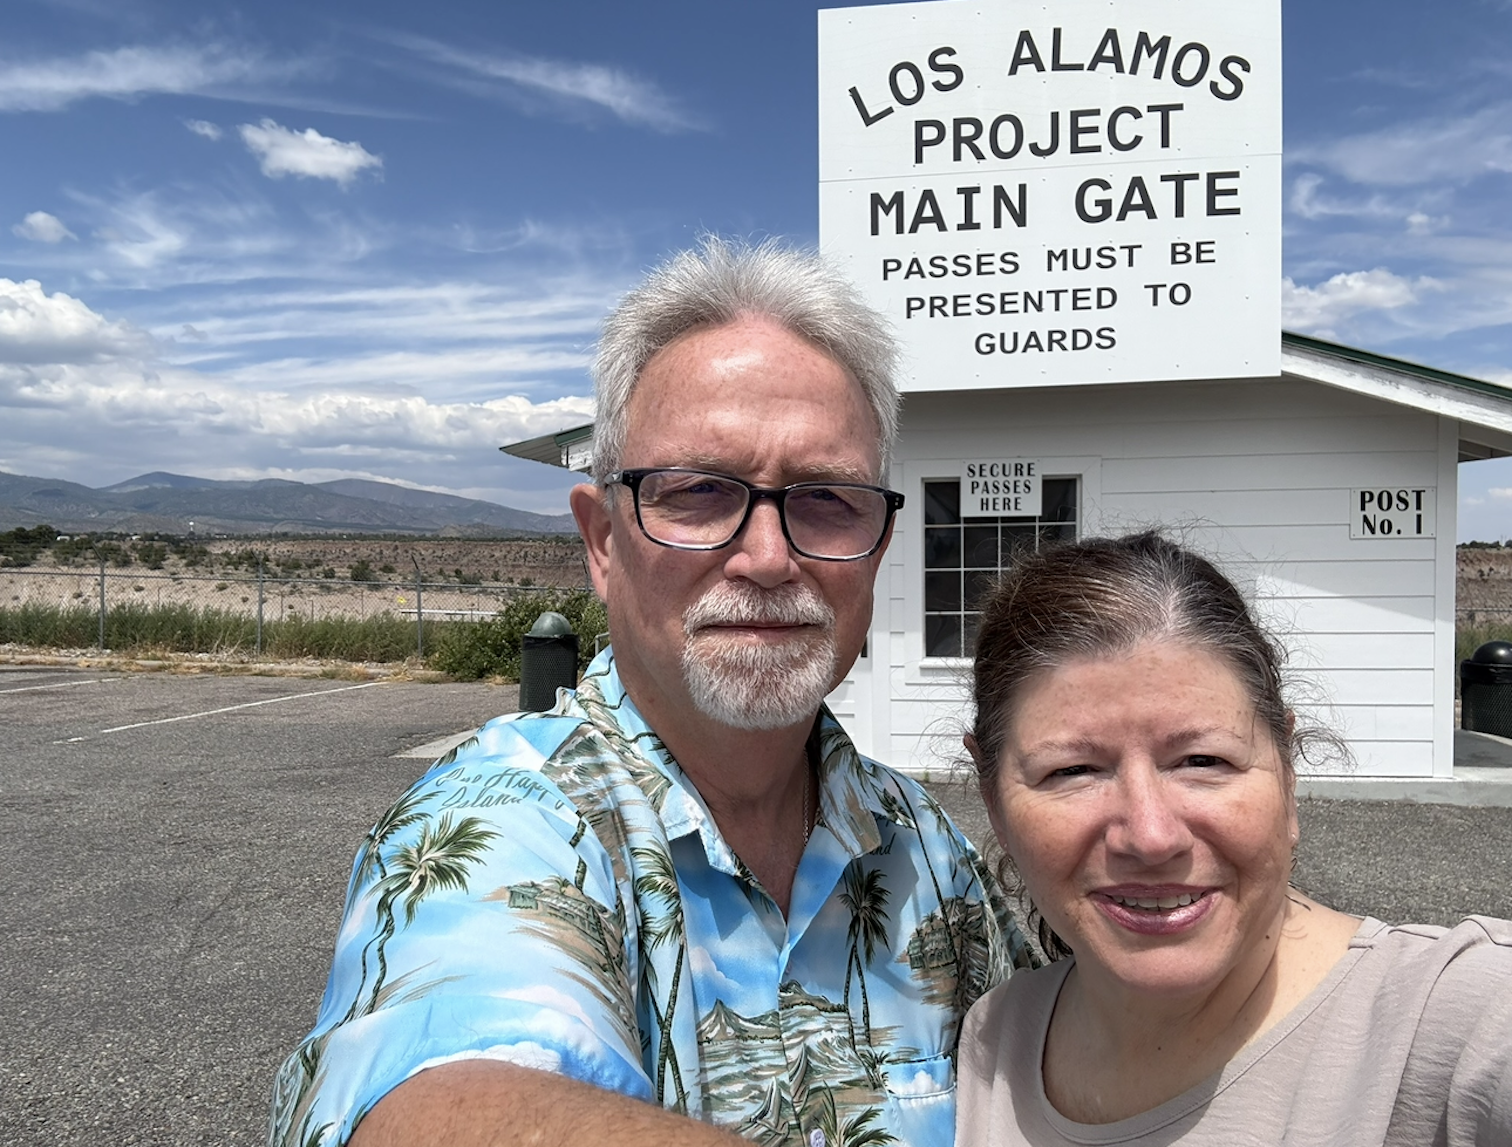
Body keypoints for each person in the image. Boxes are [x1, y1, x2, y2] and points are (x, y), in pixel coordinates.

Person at [270, 237, 1035, 1147]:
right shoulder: (501, 824)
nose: (767, 557)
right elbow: (438, 1101)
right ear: (602, 543)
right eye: (700, 491)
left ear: (875, 544)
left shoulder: (922, 850)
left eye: (827, 497)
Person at [956, 531, 1512, 1146]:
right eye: (1073, 771)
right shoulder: (994, 1040)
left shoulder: (1458, 1020)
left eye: (1203, 760)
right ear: (994, 804)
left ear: (1288, 774)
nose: (1151, 834)